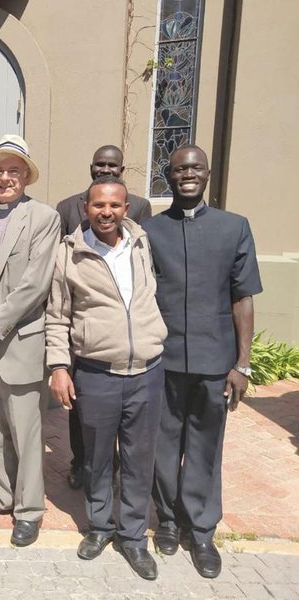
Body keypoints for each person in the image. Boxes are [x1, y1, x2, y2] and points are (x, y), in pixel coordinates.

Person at [144, 145, 262, 579]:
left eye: (194, 168)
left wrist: (243, 363)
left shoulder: (234, 228)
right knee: (162, 444)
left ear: (207, 174)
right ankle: (169, 522)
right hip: (163, 360)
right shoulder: (151, 231)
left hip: (216, 361)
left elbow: (242, 297)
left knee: (205, 449)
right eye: (178, 170)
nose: (186, 175)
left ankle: (202, 530)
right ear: (168, 177)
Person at [46, 175, 167, 580]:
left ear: (126, 209)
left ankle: (133, 537)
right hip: (96, 373)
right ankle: (100, 527)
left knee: (138, 459)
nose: (106, 212)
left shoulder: (142, 242)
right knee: (97, 459)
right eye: (99, 205)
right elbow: (57, 315)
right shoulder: (70, 253)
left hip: (147, 371)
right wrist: (59, 367)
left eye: (115, 205)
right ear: (86, 207)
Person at [0, 134, 60, 547]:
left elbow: (34, 285)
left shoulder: (43, 217)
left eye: (13, 171)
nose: (5, 178)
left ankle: (29, 508)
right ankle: (1, 495)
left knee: (25, 430)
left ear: (25, 176)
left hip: (20, 340)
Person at [55, 144, 152, 490]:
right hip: (81, 324)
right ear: (91, 166)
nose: (105, 169)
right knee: (80, 405)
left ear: (122, 170)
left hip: (124, 330)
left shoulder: (140, 206)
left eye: (112, 165)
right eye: (100, 164)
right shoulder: (67, 206)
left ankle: (116, 467)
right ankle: (82, 462)